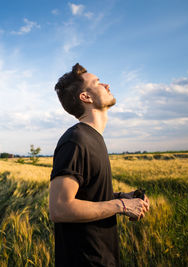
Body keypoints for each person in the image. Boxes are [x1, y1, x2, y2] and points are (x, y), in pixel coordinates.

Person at [49, 63, 150, 266]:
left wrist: (122, 198)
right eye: (97, 82)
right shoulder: (76, 140)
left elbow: (85, 197)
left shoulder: (93, 138)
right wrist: (121, 206)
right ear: (86, 97)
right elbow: (59, 209)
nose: (107, 85)